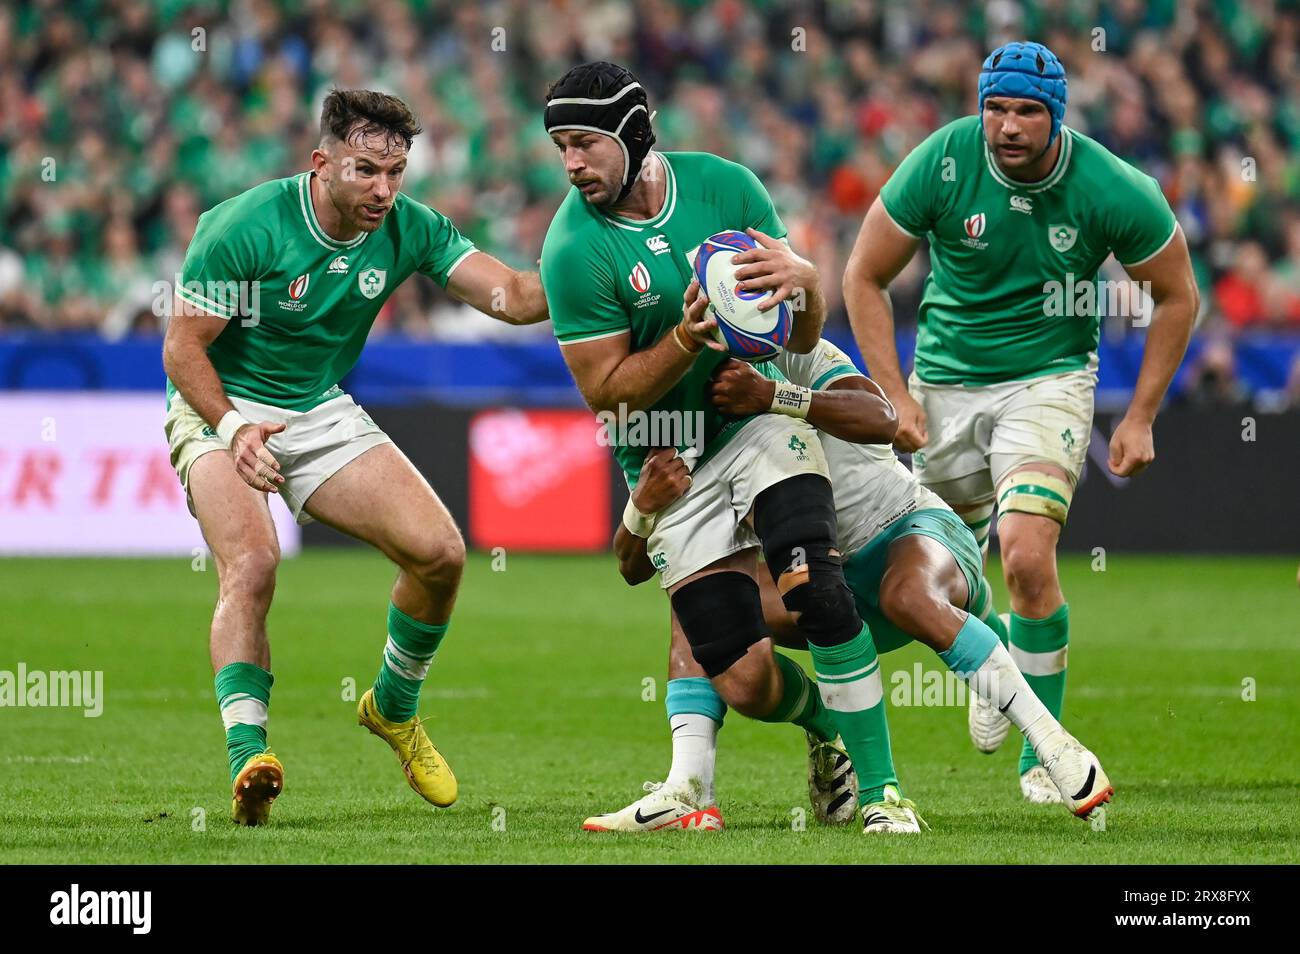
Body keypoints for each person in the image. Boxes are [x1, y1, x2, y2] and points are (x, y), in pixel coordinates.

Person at [162, 89, 549, 825]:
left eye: (396, 172)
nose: (384, 191)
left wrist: (587, 260)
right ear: (321, 162)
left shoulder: (409, 227)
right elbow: (182, 350)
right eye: (367, 170)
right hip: (220, 404)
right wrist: (235, 427)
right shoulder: (242, 226)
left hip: (316, 407)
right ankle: (250, 756)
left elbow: (515, 298)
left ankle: (393, 708)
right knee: (254, 562)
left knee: (441, 554)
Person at [540, 61, 903, 834]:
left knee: (812, 581)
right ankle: (822, 729)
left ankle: (883, 795)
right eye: (560, 146)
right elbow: (609, 392)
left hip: (755, 419)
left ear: (634, 136)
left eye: (584, 143)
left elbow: (797, 332)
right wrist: (683, 339)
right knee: (742, 678)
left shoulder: (728, 188)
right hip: (668, 458)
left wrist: (807, 282)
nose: (571, 163)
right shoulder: (571, 250)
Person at [843, 42, 1198, 802]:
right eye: (995, 108)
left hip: (1049, 383)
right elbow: (862, 275)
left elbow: (1177, 294)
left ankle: (1041, 759)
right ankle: (995, 644)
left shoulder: (1109, 185)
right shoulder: (942, 160)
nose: (1006, 126)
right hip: (941, 389)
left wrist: (1140, 416)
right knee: (944, 585)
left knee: (1027, 558)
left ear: (1056, 117)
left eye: (1027, 111)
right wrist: (893, 395)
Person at [600, 342, 1114, 833]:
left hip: (903, 529)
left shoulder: (789, 350)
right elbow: (634, 564)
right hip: (817, 586)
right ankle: (776, 748)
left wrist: (774, 396)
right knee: (699, 599)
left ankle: (1053, 744)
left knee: (908, 595)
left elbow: (881, 419)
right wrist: (641, 508)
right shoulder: (676, 415)